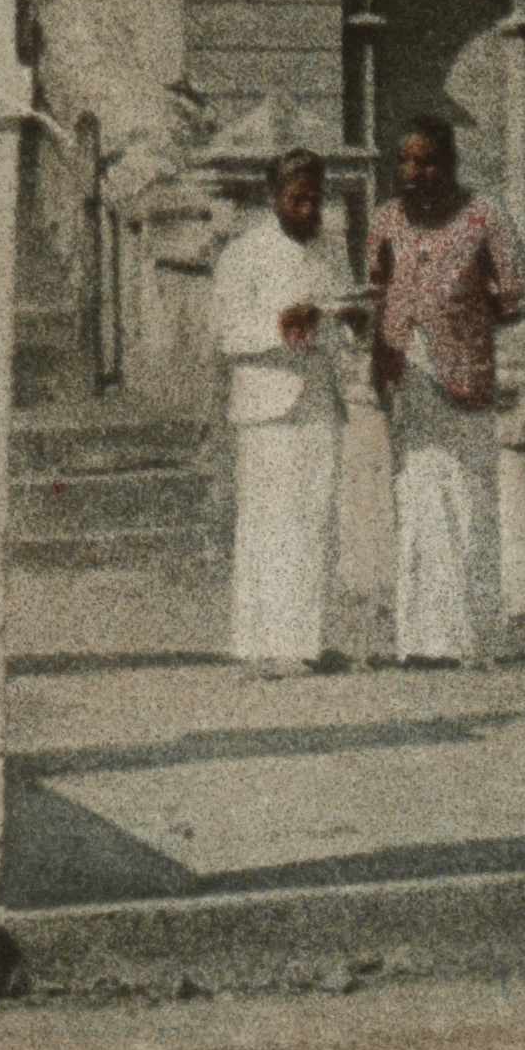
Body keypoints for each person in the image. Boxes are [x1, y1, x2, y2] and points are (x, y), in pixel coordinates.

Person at [363, 118, 525, 666]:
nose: (414, 173)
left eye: (427, 161)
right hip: (404, 382)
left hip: (463, 382)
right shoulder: (386, 219)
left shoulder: (486, 216)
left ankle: (470, 642)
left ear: (450, 163)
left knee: (467, 504)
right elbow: (374, 288)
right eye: (405, 162)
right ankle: (419, 642)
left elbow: (518, 297)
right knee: (417, 505)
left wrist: (459, 322)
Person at [216, 148, 349, 672]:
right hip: (267, 407)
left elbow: (339, 321)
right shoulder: (243, 255)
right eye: (297, 199)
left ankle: (308, 643)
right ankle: (262, 646)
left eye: (315, 199)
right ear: (274, 199)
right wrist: (279, 328)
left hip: (318, 400)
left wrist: (342, 324)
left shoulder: (331, 252)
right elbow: (227, 335)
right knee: (269, 524)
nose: (308, 210)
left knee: (316, 521)